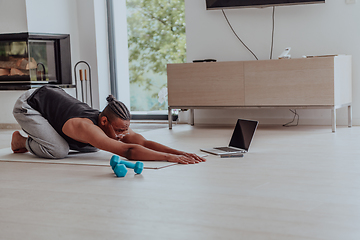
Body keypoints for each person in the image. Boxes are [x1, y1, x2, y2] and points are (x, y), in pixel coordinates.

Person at [11, 85, 206, 164]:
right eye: (120, 130)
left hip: (53, 101)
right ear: (104, 121)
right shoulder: (86, 127)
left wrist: (179, 153)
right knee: (59, 150)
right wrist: (169, 159)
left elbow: (143, 143)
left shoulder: (112, 123)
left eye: (126, 129)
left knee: (92, 148)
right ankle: (20, 141)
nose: (124, 134)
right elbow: (128, 151)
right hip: (30, 105)